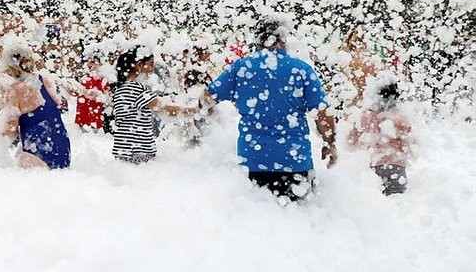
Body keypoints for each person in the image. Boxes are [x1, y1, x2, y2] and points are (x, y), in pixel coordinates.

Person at [199, 15, 337, 203]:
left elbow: (207, 98)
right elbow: (323, 113)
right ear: (282, 38)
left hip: (253, 160)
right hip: (295, 161)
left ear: (258, 39)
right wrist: (329, 143)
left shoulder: (241, 67)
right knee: (300, 226)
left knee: (256, 225)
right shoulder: (301, 69)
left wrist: (216, 105)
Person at [0, 40, 71, 169]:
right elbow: (55, 108)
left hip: (39, 153)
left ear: (10, 66)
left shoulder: (15, 90)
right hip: (62, 149)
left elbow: (9, 131)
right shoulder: (44, 80)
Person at [111, 45, 198, 164]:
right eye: (150, 64)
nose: (152, 70)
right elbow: (165, 109)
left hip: (122, 148)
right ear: (139, 65)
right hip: (137, 150)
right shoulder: (136, 89)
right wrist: (194, 110)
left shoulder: (121, 89)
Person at [348, 74, 412, 196]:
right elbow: (410, 140)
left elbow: (352, 139)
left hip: (375, 166)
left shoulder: (366, 116)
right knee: (397, 199)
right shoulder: (400, 117)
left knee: (377, 199)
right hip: (396, 166)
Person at [72, 52, 110, 131]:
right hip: (82, 117)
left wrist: (92, 93)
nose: (90, 64)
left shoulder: (104, 79)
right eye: (89, 62)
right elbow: (77, 93)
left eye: (93, 62)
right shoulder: (85, 78)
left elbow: (104, 96)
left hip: (96, 119)